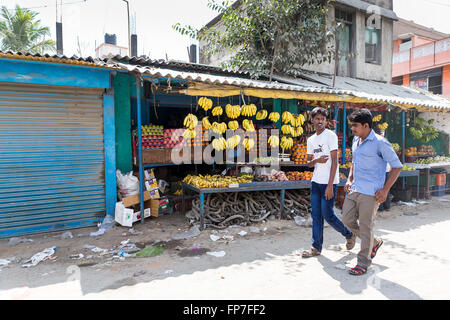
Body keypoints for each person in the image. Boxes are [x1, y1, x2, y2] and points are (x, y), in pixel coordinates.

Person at [342, 108, 402, 275]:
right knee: (346, 219)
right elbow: (355, 161)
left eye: (355, 125)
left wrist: (385, 190)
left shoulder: (380, 142)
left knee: (366, 226)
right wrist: (349, 179)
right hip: (355, 189)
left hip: (371, 192)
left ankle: (362, 263)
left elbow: (397, 166)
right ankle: (374, 243)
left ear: (366, 125)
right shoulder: (356, 140)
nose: (352, 129)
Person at [302, 107, 354, 258]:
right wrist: (317, 160)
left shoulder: (330, 136)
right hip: (316, 182)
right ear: (312, 120)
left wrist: (331, 185)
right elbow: (309, 164)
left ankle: (349, 234)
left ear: (326, 121)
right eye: (317, 119)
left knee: (328, 214)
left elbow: (335, 162)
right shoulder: (311, 140)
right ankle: (316, 247)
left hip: (328, 182)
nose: (319, 122)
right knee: (316, 215)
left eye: (322, 119)